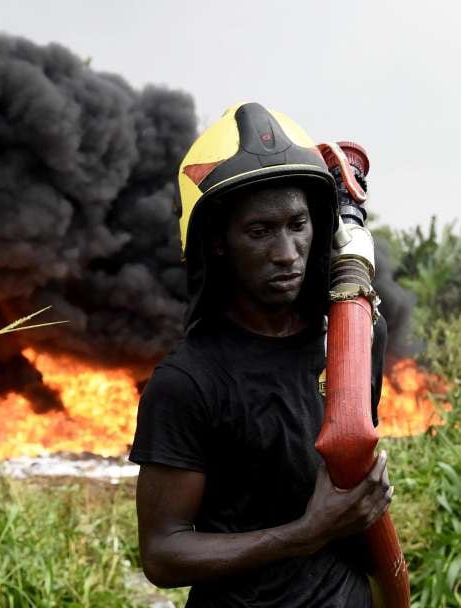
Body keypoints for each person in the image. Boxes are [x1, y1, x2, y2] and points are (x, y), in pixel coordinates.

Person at [130, 102, 392, 607]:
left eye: (298, 224)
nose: (287, 252)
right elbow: (162, 554)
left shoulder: (354, 338)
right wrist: (304, 533)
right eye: (259, 231)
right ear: (219, 243)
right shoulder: (187, 382)